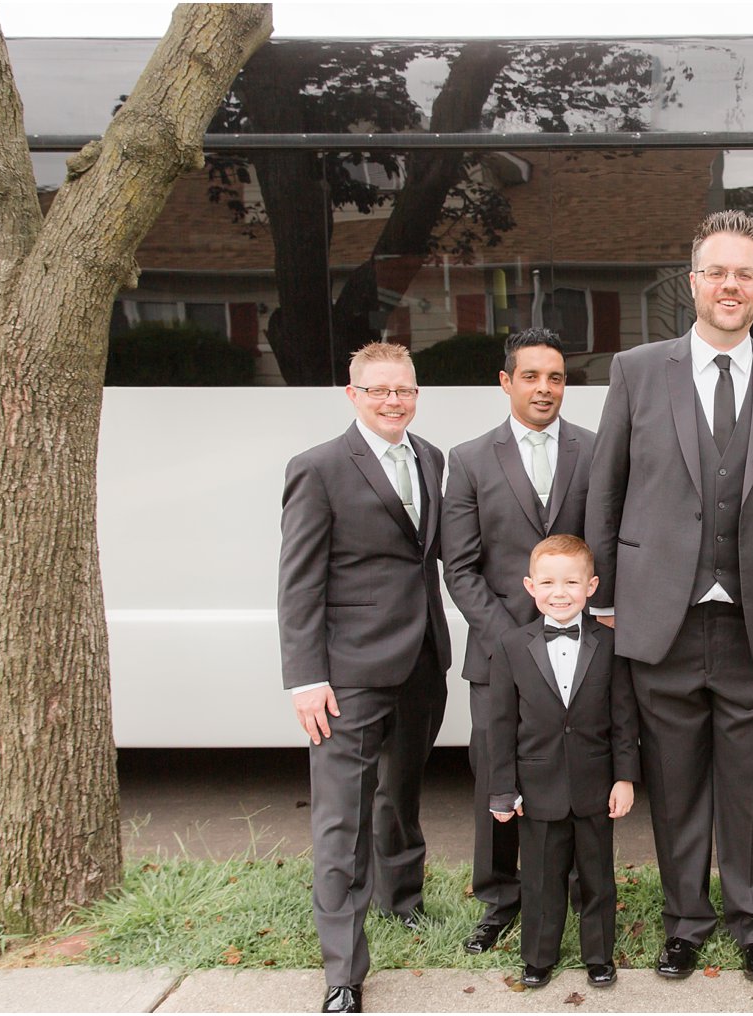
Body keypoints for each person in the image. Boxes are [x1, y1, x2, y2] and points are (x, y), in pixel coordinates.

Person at [585, 209, 753, 982]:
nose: (731, 285)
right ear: (693, 282)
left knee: (752, 784)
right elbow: (608, 486)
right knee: (675, 785)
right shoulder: (636, 371)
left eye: (746, 274)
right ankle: (685, 922)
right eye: (717, 271)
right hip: (660, 616)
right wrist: (602, 590)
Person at [277, 341, 450, 1014]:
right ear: (353, 396)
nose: (392, 401)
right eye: (377, 390)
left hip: (421, 665)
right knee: (341, 820)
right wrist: (305, 677)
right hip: (346, 675)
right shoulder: (317, 468)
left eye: (402, 390)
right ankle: (343, 973)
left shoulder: (430, 458)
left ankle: (402, 902)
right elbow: (298, 583)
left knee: (400, 797)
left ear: (415, 393)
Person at [440, 329, 595, 955]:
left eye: (555, 377)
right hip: (499, 655)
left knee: (579, 769)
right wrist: (514, 642)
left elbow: (605, 544)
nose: (544, 388)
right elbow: (461, 567)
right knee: (496, 778)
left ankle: (585, 893)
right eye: (531, 376)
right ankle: (499, 899)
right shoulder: (470, 458)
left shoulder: (596, 449)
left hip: (582, 655)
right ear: (506, 382)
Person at [488, 535, 639, 990]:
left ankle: (598, 955)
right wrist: (502, 787)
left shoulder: (610, 645)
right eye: (549, 582)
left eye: (571, 582)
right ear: (530, 586)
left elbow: (623, 717)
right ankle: (538, 957)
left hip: (595, 784)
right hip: (537, 788)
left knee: (597, 877)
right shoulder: (511, 645)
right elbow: (499, 725)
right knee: (539, 880)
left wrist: (625, 778)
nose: (560, 592)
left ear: (591, 586)